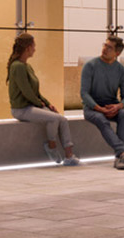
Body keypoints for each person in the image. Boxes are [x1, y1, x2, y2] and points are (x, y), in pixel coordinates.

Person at [7, 33, 79, 166]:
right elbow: (26, 91)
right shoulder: (17, 66)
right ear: (28, 48)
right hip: (21, 109)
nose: (35, 49)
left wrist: (48, 104)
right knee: (54, 118)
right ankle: (51, 146)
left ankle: (69, 155)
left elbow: (36, 92)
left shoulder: (27, 66)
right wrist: (39, 104)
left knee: (62, 119)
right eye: (33, 46)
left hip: (31, 106)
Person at [81, 35, 124, 170]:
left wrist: (118, 106)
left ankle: (119, 157)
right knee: (101, 119)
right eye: (104, 45)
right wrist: (99, 109)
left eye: (109, 47)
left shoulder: (122, 70)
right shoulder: (90, 66)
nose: (104, 49)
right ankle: (122, 153)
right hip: (92, 108)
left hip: (112, 106)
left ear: (117, 53)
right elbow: (84, 93)